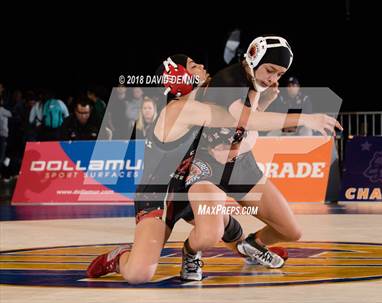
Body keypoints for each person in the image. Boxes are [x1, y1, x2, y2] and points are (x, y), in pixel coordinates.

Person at [86, 49, 342, 283]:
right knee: (139, 274)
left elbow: (238, 129)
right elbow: (243, 121)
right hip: (160, 196)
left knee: (215, 231)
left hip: (189, 183)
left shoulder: (205, 98)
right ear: (180, 77)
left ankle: (241, 239)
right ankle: (119, 257)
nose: (201, 66)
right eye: (193, 65)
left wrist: (259, 97)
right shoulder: (182, 109)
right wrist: (303, 116)